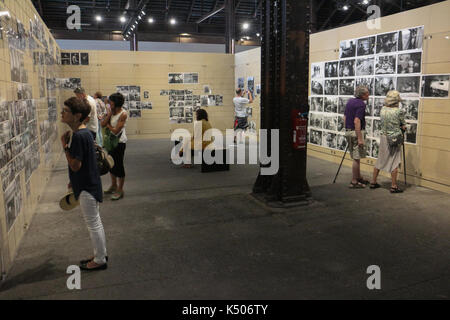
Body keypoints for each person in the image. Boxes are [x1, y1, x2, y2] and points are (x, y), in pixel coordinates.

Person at [60, 97, 107, 271]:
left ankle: (100, 259)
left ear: (77, 115)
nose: (62, 114)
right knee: (95, 222)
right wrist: (72, 180)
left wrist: (64, 147)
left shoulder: (79, 136)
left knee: (93, 223)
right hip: (89, 183)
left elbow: (76, 164)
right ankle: (99, 253)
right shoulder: (84, 132)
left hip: (87, 186)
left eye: (66, 111)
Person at [370, 91, 407, 193]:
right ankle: (394, 186)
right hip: (394, 138)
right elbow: (403, 125)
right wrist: (403, 127)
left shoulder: (383, 109)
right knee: (394, 161)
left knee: (380, 159)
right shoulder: (398, 111)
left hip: (383, 137)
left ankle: (373, 181)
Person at [101, 93, 128, 201]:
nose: (109, 103)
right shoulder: (112, 112)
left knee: (119, 166)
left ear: (115, 103)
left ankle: (120, 190)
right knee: (110, 164)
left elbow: (116, 131)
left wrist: (108, 125)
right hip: (110, 142)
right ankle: (113, 185)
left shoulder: (123, 114)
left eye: (111, 101)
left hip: (119, 143)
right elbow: (102, 124)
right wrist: (109, 114)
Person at [344, 86, 370, 188]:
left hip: (349, 131)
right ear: (362, 95)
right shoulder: (361, 104)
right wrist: (360, 138)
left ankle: (358, 177)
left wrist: (347, 130)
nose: (368, 95)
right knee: (356, 158)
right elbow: (357, 121)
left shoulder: (350, 101)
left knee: (356, 157)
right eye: (367, 93)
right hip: (356, 133)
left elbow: (345, 117)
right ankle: (354, 181)